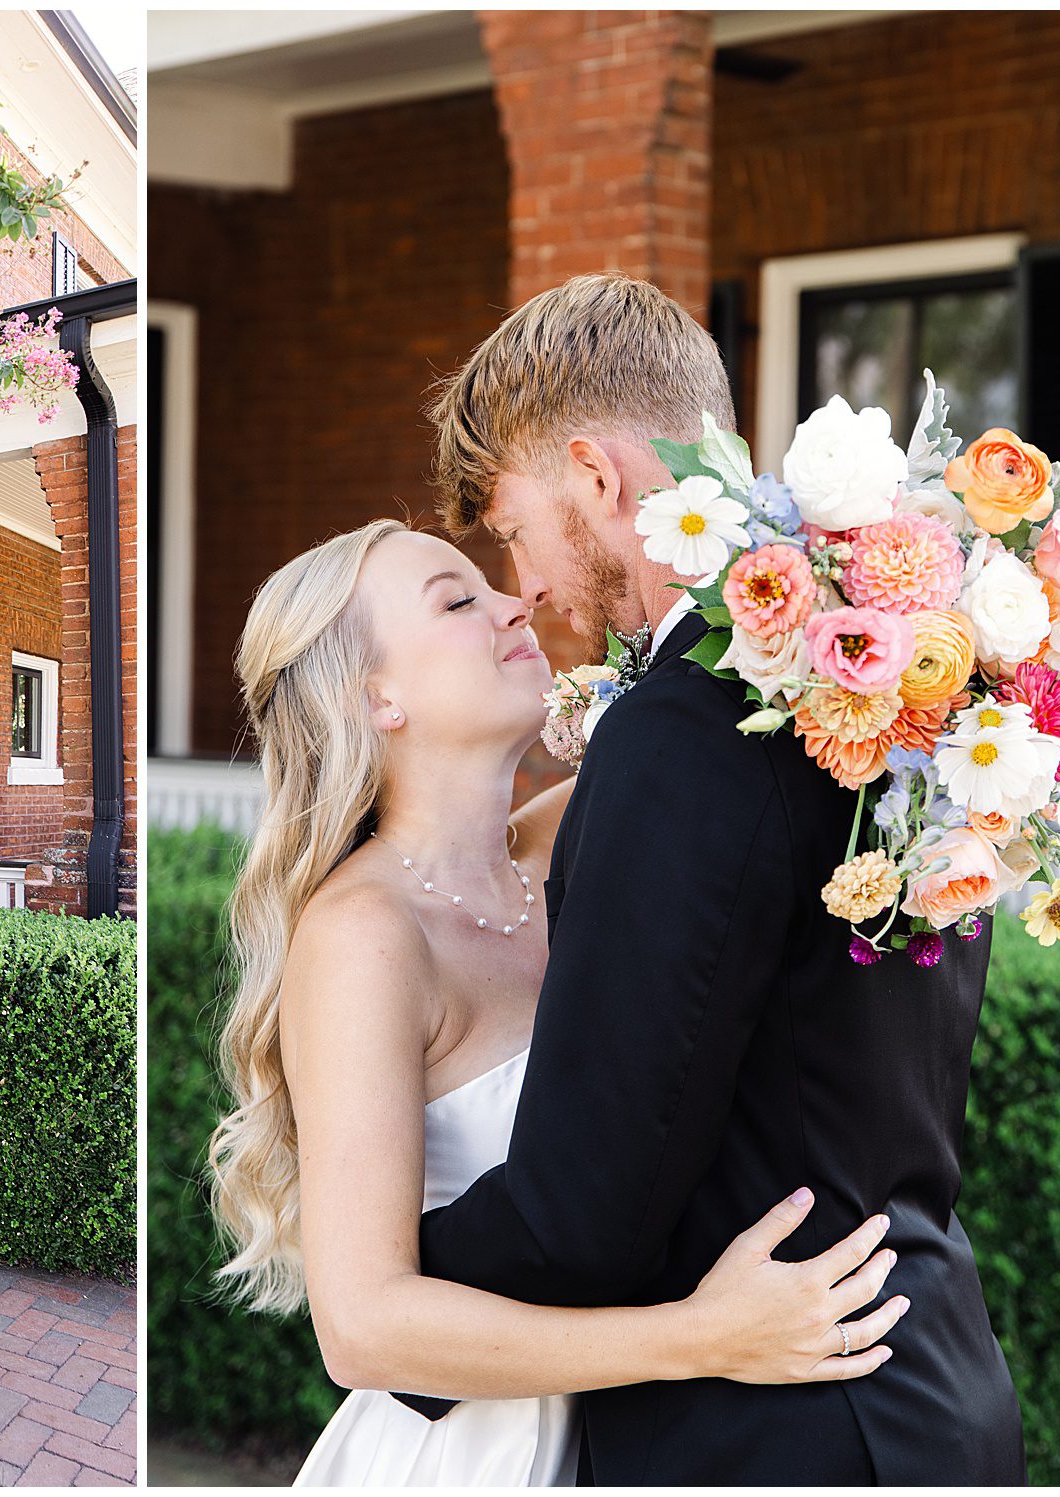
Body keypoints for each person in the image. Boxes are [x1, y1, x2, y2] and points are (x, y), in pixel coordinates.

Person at [408, 272, 1022, 1482]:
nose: (519, 585)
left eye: (510, 528)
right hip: (932, 1384)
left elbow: (581, 1219)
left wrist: (376, 1293)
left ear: (592, 476)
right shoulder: (886, 692)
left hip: (777, 1436)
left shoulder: (684, 729)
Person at [209, 521, 906, 1486]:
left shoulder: (572, 839)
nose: (514, 600)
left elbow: (728, 747)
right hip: (475, 1454)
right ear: (378, 697)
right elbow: (363, 1328)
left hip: (642, 1437)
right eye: (458, 601)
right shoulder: (364, 936)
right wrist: (700, 1338)